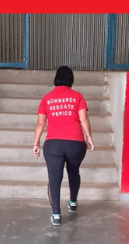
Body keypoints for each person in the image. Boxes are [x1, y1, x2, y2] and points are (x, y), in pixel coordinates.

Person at [32, 66, 95, 226]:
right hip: (76, 143)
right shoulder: (77, 96)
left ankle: (56, 215)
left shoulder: (47, 98)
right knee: (74, 172)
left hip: (53, 144)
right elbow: (84, 119)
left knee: (54, 178)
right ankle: (73, 202)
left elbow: (41, 123)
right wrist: (89, 137)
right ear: (70, 79)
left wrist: (36, 143)